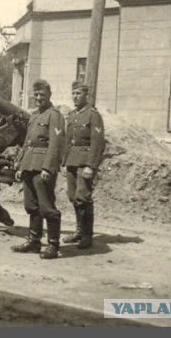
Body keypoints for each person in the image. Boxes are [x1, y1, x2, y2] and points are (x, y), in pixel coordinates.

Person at [11, 79, 64, 259]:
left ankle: (53, 245)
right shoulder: (34, 116)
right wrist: (20, 164)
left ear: (49, 95)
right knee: (31, 206)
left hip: (42, 167)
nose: (39, 98)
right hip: (29, 165)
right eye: (37, 95)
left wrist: (48, 168)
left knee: (47, 207)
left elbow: (55, 144)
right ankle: (34, 241)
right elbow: (27, 142)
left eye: (42, 95)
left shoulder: (54, 115)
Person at [61, 81, 105, 249]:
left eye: (79, 93)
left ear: (86, 95)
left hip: (85, 162)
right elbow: (67, 141)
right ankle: (79, 231)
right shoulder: (72, 115)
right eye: (73, 93)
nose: (75, 96)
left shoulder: (93, 115)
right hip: (72, 161)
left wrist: (91, 166)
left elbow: (97, 142)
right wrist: (64, 162)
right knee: (73, 197)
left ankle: (87, 235)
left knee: (83, 197)